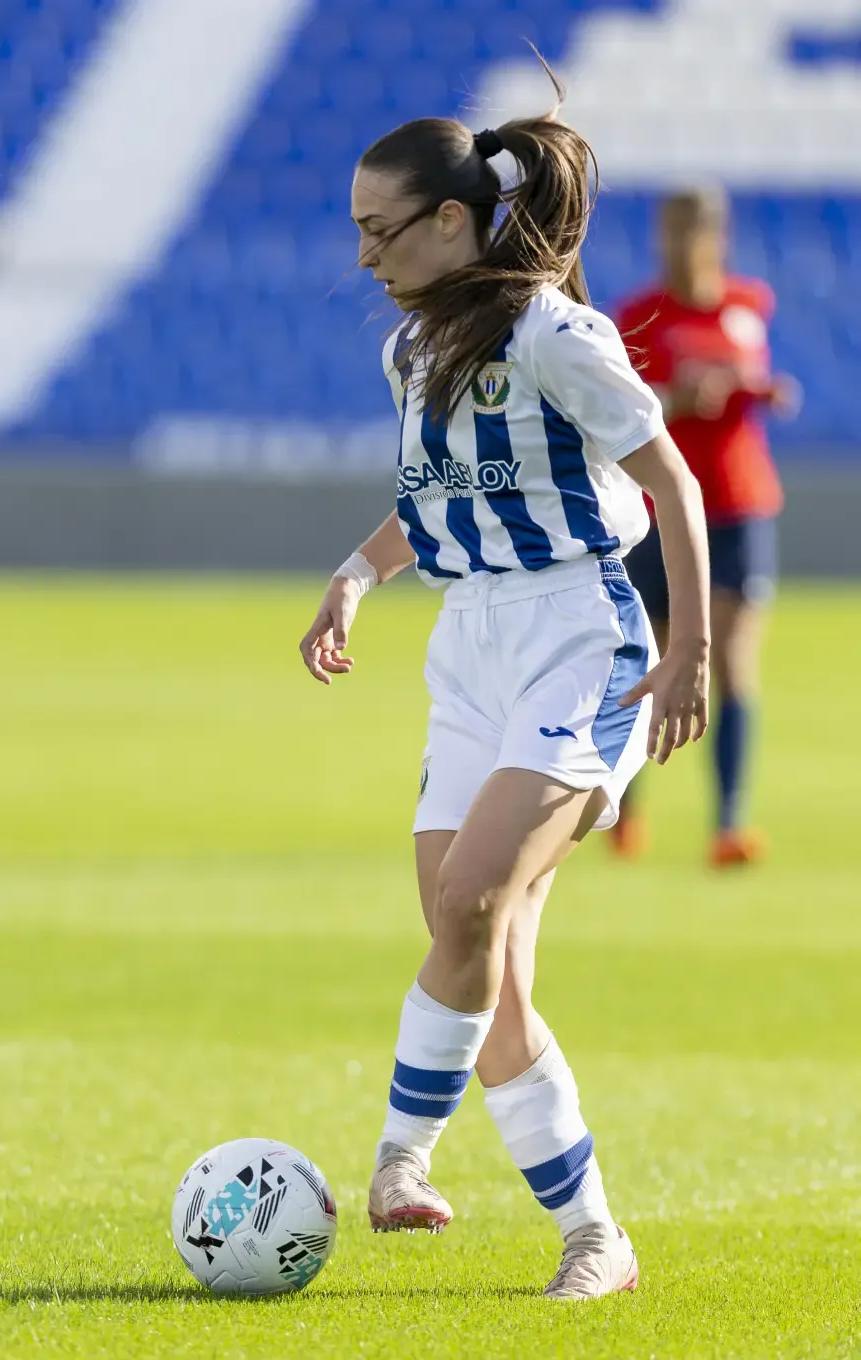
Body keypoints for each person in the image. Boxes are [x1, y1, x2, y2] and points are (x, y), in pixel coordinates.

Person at [298, 74, 710, 1301]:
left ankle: (398, 1157)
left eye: (380, 228)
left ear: (450, 220)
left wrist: (687, 652)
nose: (364, 254)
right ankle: (596, 1237)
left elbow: (674, 484)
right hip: (468, 648)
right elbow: (438, 505)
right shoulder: (409, 349)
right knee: (479, 949)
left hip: (580, 637)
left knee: (473, 898)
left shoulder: (556, 335)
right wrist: (357, 574)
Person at [614, 190, 798, 866]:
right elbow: (623, 406)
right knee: (654, 661)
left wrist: (763, 391)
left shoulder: (748, 304)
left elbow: (751, 375)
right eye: (671, 229)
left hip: (739, 499)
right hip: (662, 507)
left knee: (733, 658)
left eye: (691, 229)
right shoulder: (639, 315)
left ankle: (729, 823)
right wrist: (679, 398)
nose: (679, 243)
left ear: (717, 235)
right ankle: (623, 808)